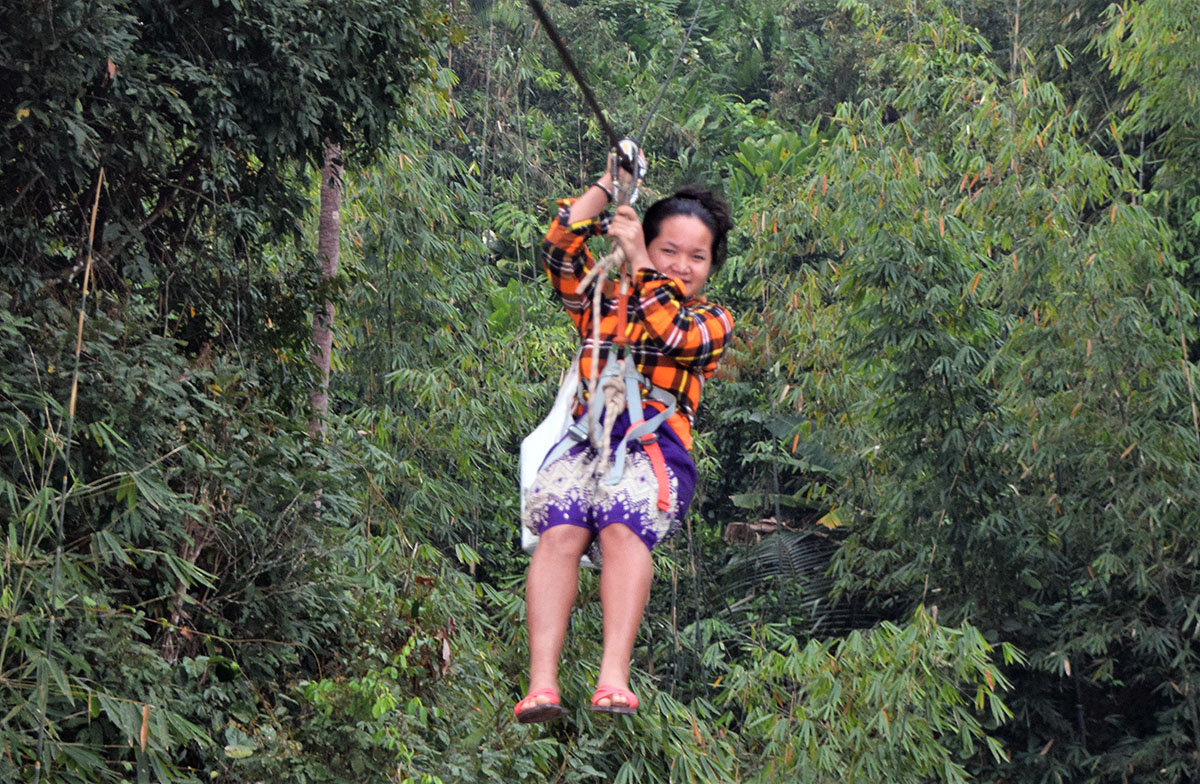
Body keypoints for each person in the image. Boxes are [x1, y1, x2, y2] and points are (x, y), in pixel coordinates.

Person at [514, 152, 735, 722]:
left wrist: (641, 262)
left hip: (654, 449)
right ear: (646, 242)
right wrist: (610, 184)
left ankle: (614, 673)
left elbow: (671, 332)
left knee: (622, 524)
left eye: (696, 257)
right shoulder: (600, 303)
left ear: (712, 267)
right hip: (587, 443)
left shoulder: (710, 322)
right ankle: (543, 683)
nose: (682, 266)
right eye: (669, 250)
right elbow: (560, 247)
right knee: (559, 530)